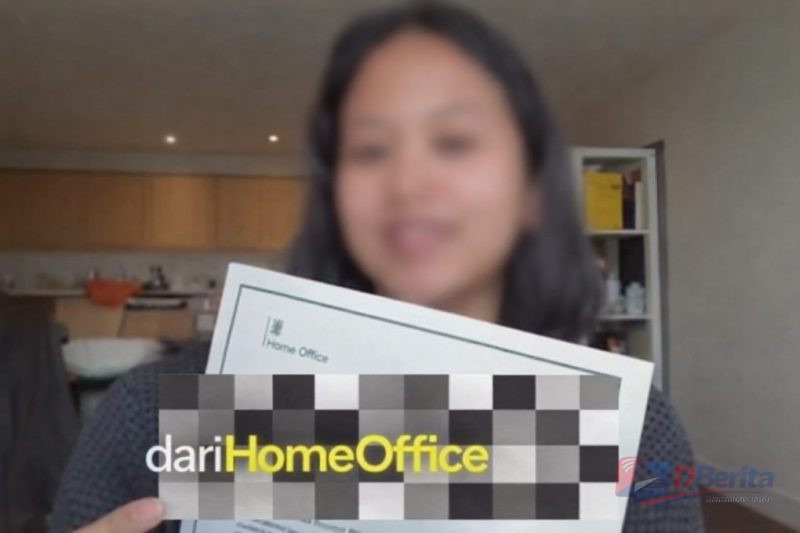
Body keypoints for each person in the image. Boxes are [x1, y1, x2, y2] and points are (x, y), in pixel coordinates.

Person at [51, 2, 703, 531]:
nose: (410, 181)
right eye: (370, 148)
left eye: (456, 141)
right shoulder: (151, 413)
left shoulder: (628, 431)